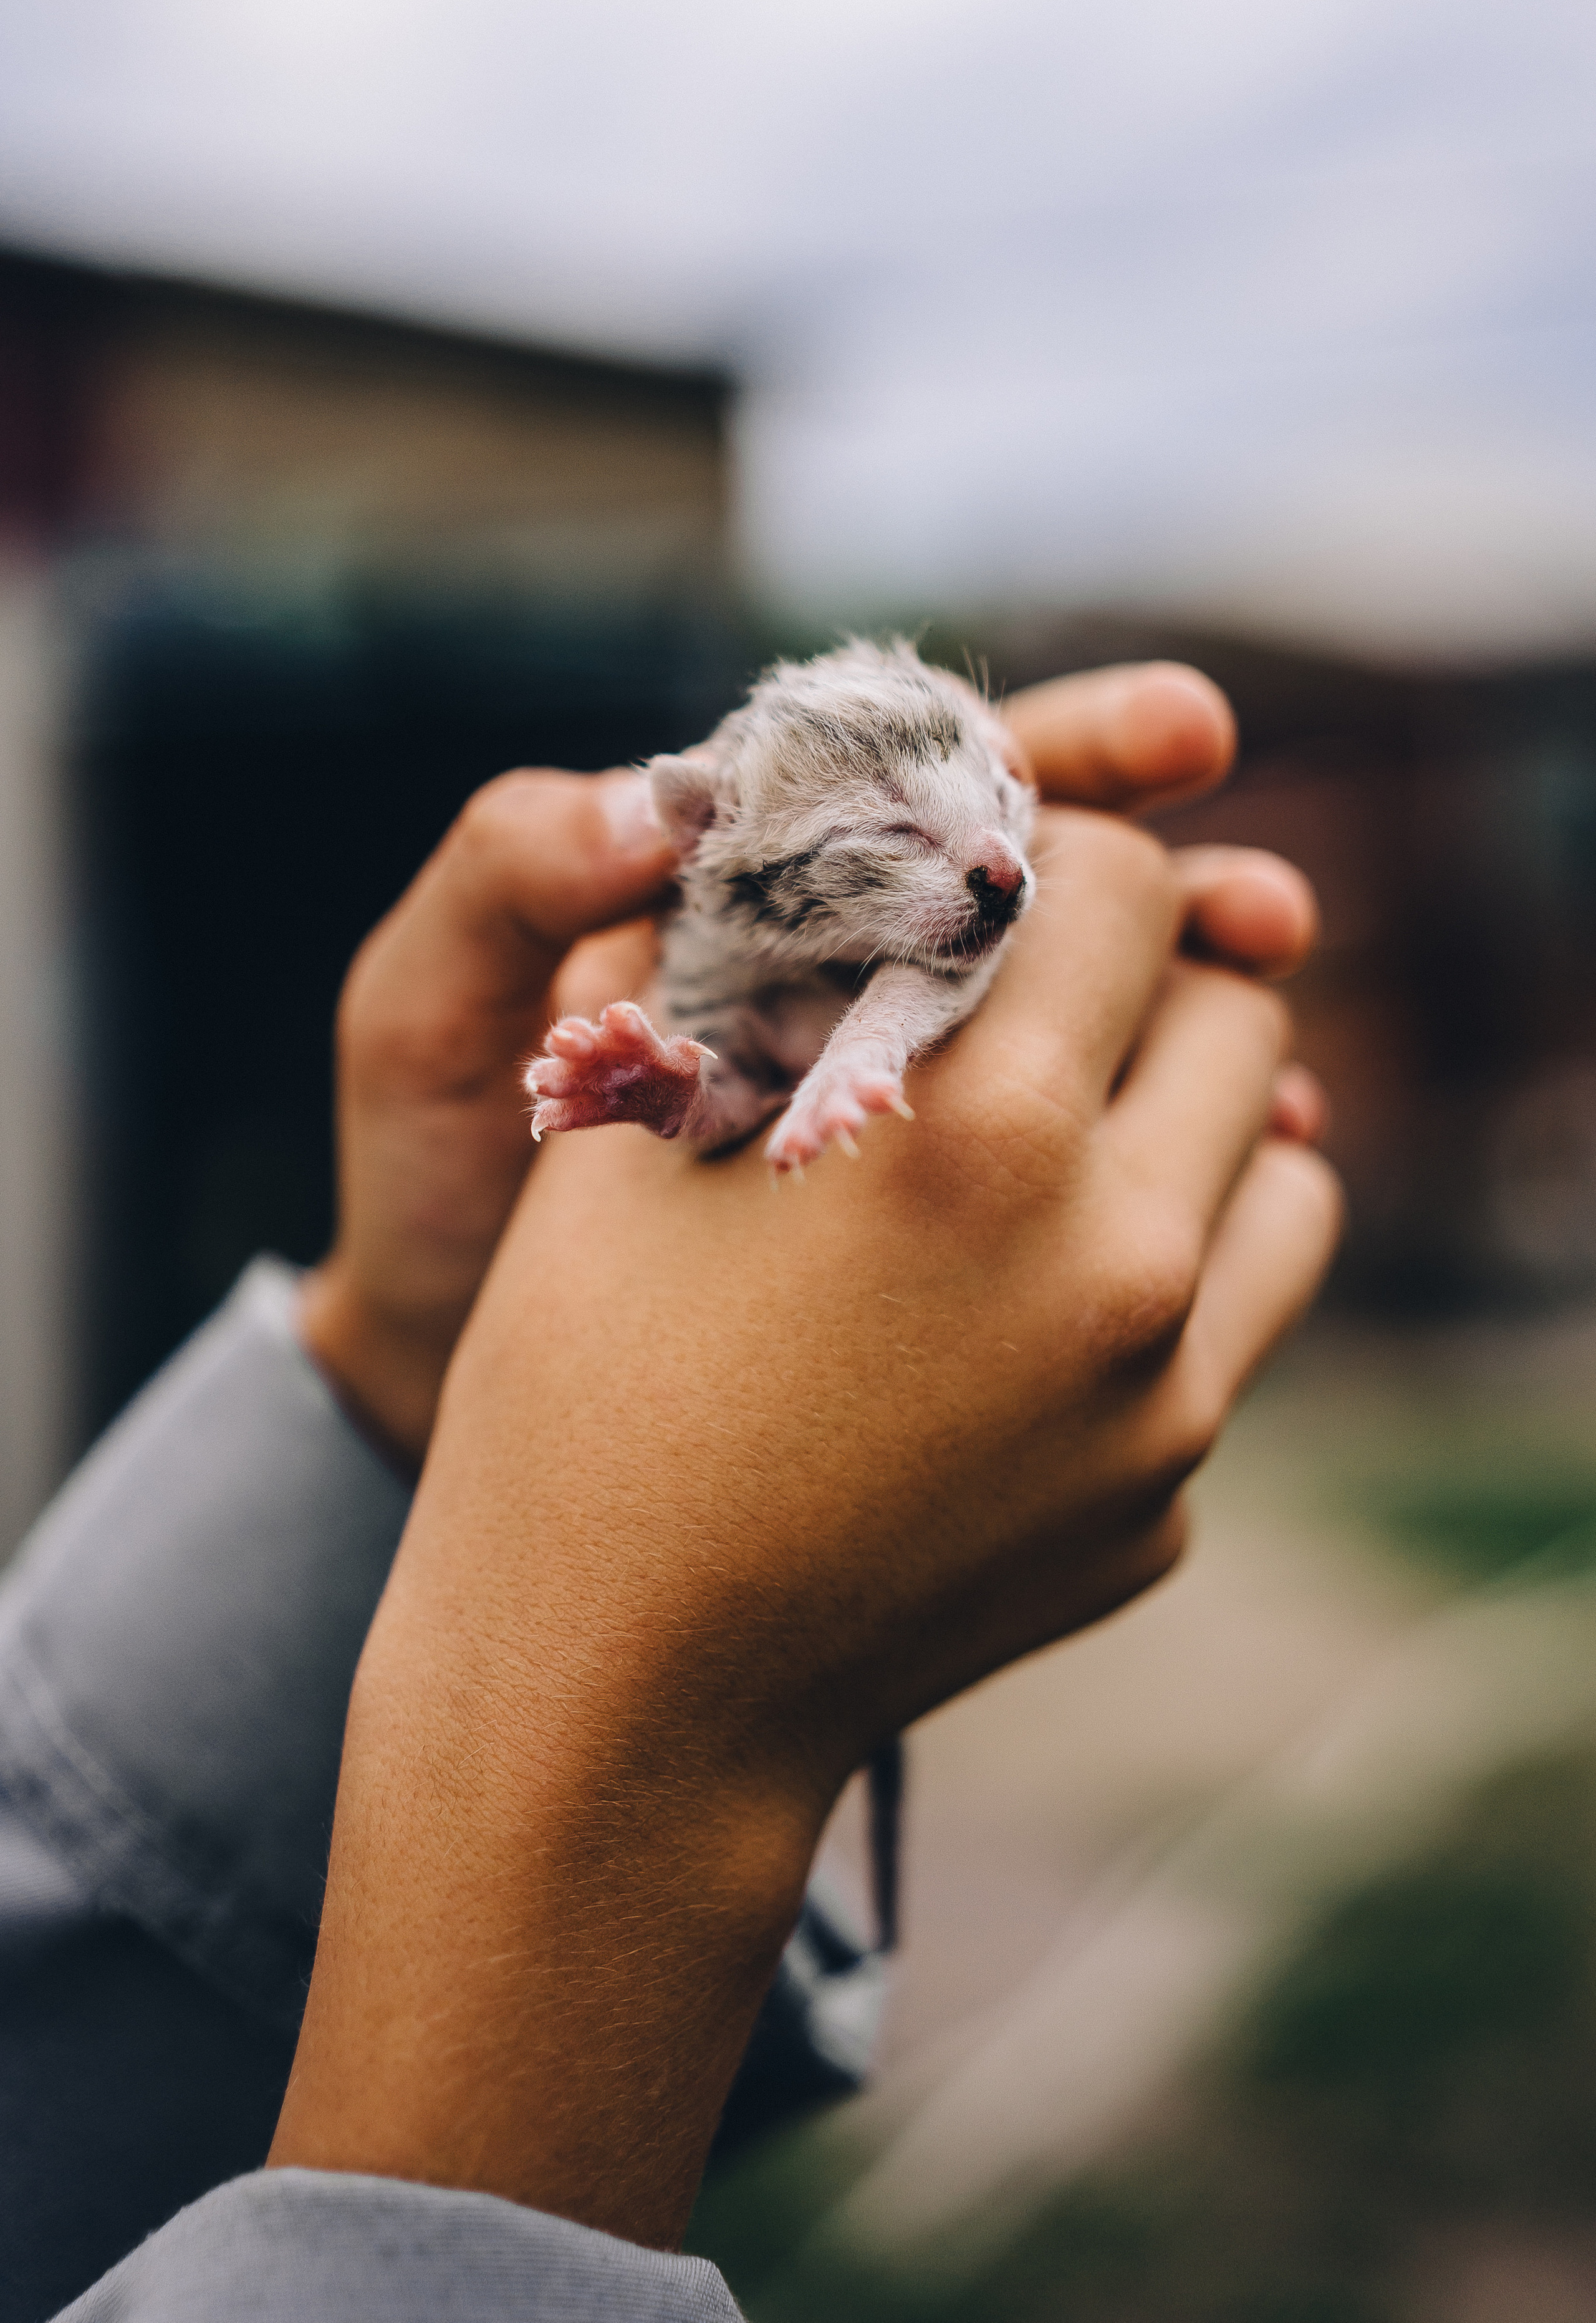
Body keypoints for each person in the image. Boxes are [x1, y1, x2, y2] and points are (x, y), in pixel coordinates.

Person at [0, 663, 1340, 2322]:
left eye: (994, 805)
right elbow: (752, 1072)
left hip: (817, 1104)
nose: (996, 869)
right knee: (734, 1067)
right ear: (714, 838)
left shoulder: (940, 876)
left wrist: (404, 1368)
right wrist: (654, 1743)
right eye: (899, 840)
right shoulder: (727, 906)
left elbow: (933, 973)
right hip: (761, 1074)